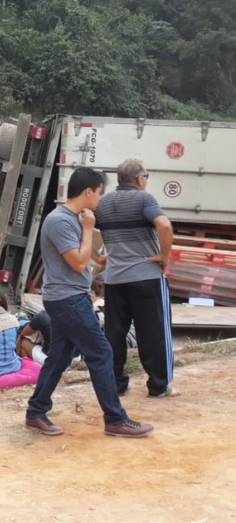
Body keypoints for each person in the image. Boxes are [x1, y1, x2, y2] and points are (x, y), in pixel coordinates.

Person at [25, 167, 154, 438]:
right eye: (99, 193)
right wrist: (87, 227)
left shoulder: (70, 219)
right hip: (68, 298)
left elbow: (92, 258)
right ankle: (115, 419)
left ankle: (36, 411)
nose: (99, 199)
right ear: (87, 192)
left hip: (68, 296)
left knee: (59, 356)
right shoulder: (60, 221)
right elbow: (79, 261)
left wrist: (111, 256)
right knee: (101, 352)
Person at [95, 158, 177, 398]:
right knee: (154, 332)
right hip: (146, 277)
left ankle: (117, 385)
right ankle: (158, 386)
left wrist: (97, 258)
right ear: (141, 178)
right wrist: (164, 257)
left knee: (114, 334)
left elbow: (84, 227)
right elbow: (164, 226)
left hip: (115, 279)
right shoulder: (145, 199)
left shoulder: (103, 202)